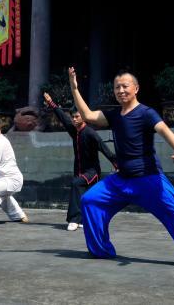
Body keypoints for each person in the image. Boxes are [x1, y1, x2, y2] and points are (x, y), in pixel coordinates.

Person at [68, 67, 174, 272]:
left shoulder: (146, 113)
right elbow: (88, 115)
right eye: (117, 87)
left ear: (136, 88)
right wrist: (74, 87)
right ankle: (100, 250)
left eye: (125, 86)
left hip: (148, 180)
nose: (121, 90)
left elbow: (163, 129)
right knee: (90, 200)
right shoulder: (114, 115)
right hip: (121, 180)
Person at [43, 92, 118, 231]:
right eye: (73, 117)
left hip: (92, 172)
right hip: (79, 170)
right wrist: (51, 103)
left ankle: (74, 220)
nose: (74, 119)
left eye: (77, 116)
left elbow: (104, 149)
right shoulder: (74, 131)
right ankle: (83, 219)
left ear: (84, 117)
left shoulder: (90, 133)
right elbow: (62, 117)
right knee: (83, 195)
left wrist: (117, 165)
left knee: (76, 184)